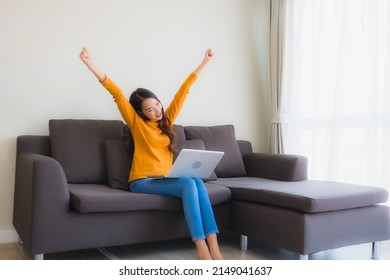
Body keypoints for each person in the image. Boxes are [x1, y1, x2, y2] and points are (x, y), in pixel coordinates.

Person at [79, 47, 223, 260]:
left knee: (197, 182)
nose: (157, 110)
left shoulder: (167, 121)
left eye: (157, 104)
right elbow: (116, 93)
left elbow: (183, 91)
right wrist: (90, 64)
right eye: (150, 109)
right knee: (188, 183)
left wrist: (205, 62)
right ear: (140, 113)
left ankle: (215, 249)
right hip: (142, 181)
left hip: (163, 179)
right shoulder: (137, 125)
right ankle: (201, 250)